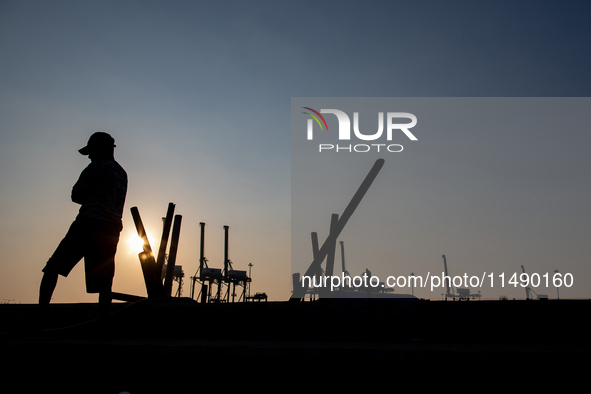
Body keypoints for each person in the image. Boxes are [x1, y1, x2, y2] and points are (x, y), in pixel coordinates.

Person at [39, 132, 127, 321]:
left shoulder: (95, 167)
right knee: (105, 281)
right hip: (111, 229)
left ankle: (40, 317)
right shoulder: (122, 173)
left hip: (88, 224)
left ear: (101, 149)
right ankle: (103, 322)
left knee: (52, 268)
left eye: (91, 151)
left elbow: (76, 195)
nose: (89, 156)